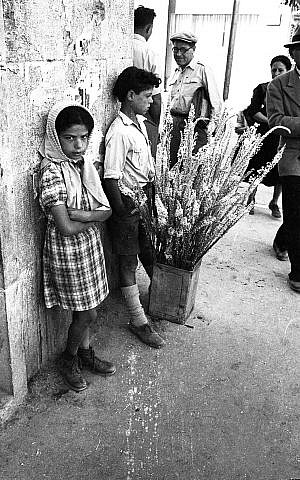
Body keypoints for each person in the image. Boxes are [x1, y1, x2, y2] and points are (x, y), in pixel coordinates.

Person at [39, 101, 116, 392]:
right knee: (88, 313)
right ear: (56, 137)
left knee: (87, 308)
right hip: (68, 253)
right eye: (70, 138)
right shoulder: (53, 172)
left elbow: (103, 210)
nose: (78, 145)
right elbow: (66, 227)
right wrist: (96, 218)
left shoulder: (83, 166)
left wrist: (87, 215)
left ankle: (85, 353)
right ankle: (68, 358)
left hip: (88, 248)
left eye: (84, 138)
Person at [103, 66, 165, 349]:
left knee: (150, 251)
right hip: (127, 204)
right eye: (147, 96)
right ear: (130, 96)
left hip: (144, 199)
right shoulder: (118, 131)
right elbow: (111, 177)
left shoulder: (138, 124)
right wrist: (121, 212)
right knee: (128, 262)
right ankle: (138, 320)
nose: (151, 101)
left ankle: (160, 301)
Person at [267, 25, 300, 292]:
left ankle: (281, 239)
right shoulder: (278, 85)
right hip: (293, 155)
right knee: (295, 213)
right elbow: (277, 122)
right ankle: (297, 272)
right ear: (295, 53)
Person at [243, 55, 292, 216]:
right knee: (257, 167)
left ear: (288, 70)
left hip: (281, 136)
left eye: (281, 70)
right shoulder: (262, 88)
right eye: (274, 70)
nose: (277, 73)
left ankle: (274, 203)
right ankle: (251, 199)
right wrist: (271, 122)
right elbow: (253, 111)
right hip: (263, 136)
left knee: (279, 170)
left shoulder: (292, 92)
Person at [168, 31, 222, 167]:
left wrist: (210, 130)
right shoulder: (176, 72)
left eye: (183, 50)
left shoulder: (202, 69)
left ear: (193, 49)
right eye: (175, 49)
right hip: (175, 125)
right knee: (173, 166)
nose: (178, 54)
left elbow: (216, 102)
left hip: (194, 126)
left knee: (191, 168)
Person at [133, 5, 162, 157]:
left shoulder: (122, 45)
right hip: (143, 113)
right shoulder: (148, 52)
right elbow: (155, 98)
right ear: (149, 28)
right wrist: (155, 125)